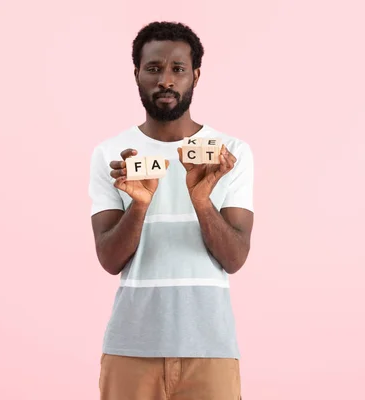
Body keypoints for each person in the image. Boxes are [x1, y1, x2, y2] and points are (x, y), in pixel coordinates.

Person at [88, 21, 254, 400]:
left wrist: (201, 201)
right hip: (131, 346)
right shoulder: (111, 154)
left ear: (195, 75)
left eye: (178, 69)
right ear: (136, 74)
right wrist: (139, 206)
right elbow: (110, 259)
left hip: (210, 347)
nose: (166, 80)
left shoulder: (231, 154)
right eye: (154, 68)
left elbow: (235, 258)